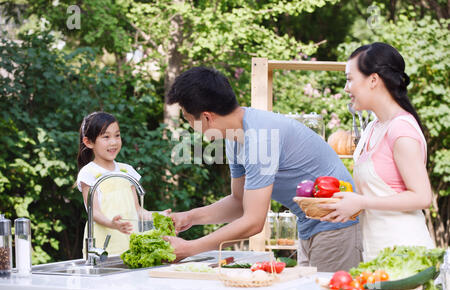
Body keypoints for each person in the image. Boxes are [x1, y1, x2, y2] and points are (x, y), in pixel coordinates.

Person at [164, 66, 363, 272]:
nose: (189, 126)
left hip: (337, 225)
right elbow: (239, 202)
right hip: (311, 226)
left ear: (206, 117)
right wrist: (189, 217)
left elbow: (253, 222)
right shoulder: (236, 135)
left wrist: (190, 248)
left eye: (188, 119)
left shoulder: (260, 137)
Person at [320, 42, 435, 261]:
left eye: (350, 79)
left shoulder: (401, 130)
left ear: (373, 80)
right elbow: (375, 196)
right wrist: (340, 205)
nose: (346, 88)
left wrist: (361, 202)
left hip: (407, 257)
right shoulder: (373, 127)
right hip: (379, 255)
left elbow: (422, 197)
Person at [76, 111, 154, 257]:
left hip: (130, 244)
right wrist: (112, 224)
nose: (113, 142)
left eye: (117, 135)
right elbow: (94, 213)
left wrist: (161, 216)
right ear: (89, 142)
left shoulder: (126, 170)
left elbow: (138, 210)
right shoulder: (89, 173)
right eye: (106, 137)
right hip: (103, 247)